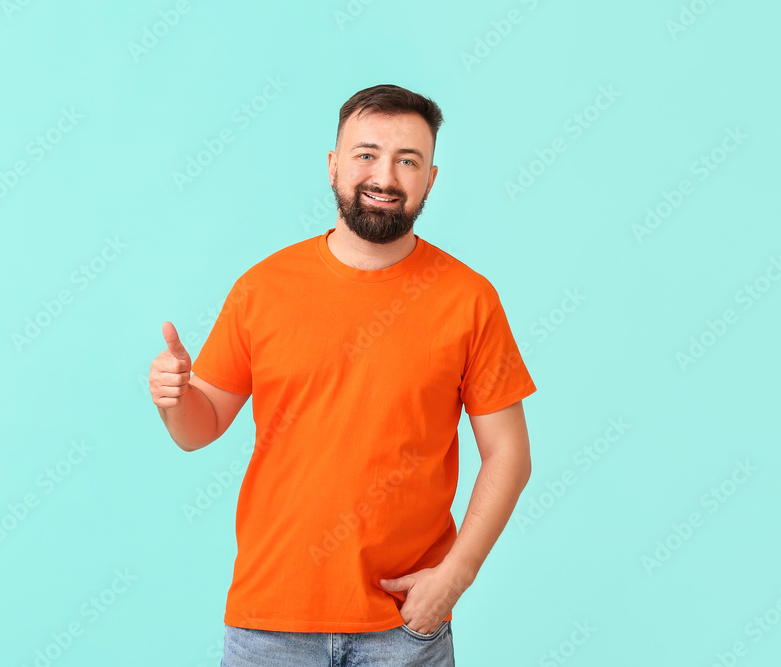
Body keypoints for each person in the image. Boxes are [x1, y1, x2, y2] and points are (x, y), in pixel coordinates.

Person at [149, 83, 536, 666]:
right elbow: (197, 430)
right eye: (366, 154)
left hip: (406, 629)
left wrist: (455, 576)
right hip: (270, 624)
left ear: (431, 178)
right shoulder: (264, 289)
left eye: (408, 160)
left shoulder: (470, 300)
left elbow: (509, 453)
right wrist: (174, 398)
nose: (385, 175)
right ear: (334, 165)